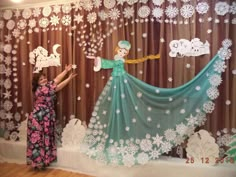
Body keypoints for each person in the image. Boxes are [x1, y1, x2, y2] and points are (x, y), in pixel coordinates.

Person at [80, 40, 226, 167]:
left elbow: (129, 62)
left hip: (122, 82)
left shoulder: (121, 61)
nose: (123, 52)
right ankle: (115, 143)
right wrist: (98, 60)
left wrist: (149, 57)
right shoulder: (118, 60)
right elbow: (111, 63)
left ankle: (122, 144)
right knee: (116, 108)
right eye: (121, 50)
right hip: (118, 83)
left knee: (126, 106)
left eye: (125, 51)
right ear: (117, 50)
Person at [27, 64, 77, 170]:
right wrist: (66, 72)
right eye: (41, 79)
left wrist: (68, 76)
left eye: (44, 78)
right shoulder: (42, 89)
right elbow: (56, 81)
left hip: (45, 116)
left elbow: (58, 86)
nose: (44, 80)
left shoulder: (47, 88)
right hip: (39, 118)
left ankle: (43, 161)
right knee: (38, 140)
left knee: (44, 138)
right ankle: (38, 162)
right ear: (37, 83)